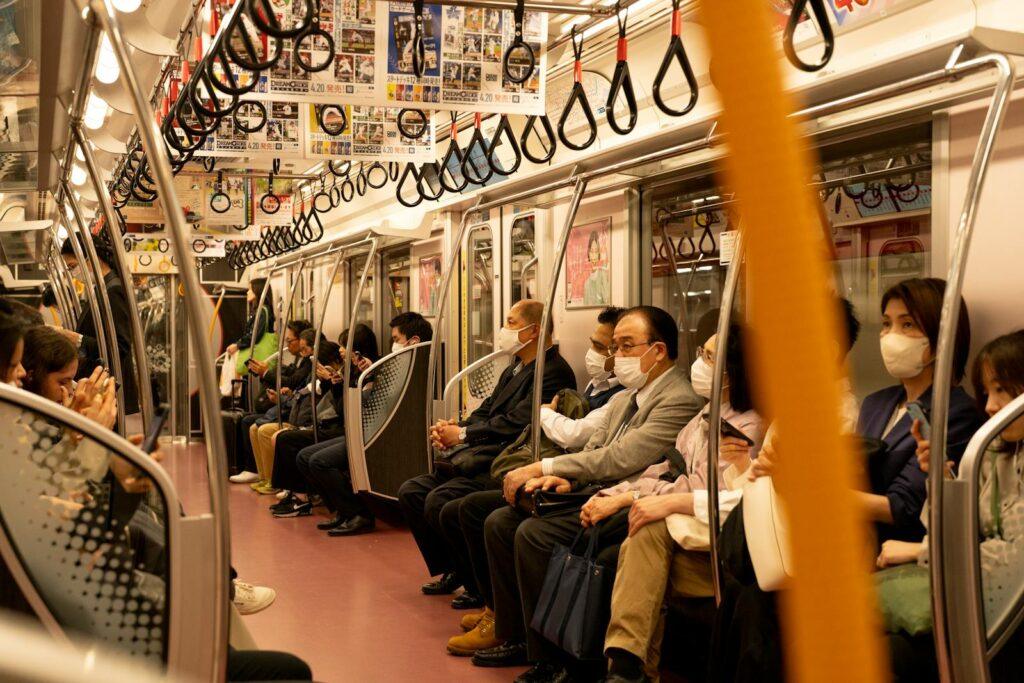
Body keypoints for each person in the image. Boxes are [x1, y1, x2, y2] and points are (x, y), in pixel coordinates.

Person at [473, 306, 703, 675]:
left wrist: (547, 466)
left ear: (658, 350)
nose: (617, 358)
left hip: (628, 495)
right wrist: (568, 479)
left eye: (627, 347)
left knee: (534, 534)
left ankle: (558, 659)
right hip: (595, 487)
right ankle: (517, 634)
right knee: (500, 519)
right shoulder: (629, 395)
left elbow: (622, 457)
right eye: (615, 348)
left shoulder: (678, 399)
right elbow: (595, 447)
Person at [599, 324, 762, 682]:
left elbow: (704, 488)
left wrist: (638, 497)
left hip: (720, 541)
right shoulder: (703, 416)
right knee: (636, 539)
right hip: (686, 526)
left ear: (734, 369)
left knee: (640, 537)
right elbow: (670, 469)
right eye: (701, 354)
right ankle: (630, 667)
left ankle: (629, 667)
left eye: (709, 357)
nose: (700, 365)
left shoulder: (749, 425)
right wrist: (617, 493)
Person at [398, 299, 575, 605]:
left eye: (510, 322)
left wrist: (464, 435)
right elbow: (489, 409)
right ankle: (454, 567)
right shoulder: (514, 368)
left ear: (533, 331)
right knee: (411, 491)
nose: (503, 330)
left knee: (442, 501)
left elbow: (519, 422)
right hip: (484, 451)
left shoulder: (552, 372)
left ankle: (478, 586)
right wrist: (457, 429)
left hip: (507, 458)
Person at [876, 330, 1024, 681]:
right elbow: (957, 529)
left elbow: (1016, 560)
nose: (989, 406)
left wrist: (918, 552)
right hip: (979, 604)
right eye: (987, 392)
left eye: (1002, 390)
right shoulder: (993, 452)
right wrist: (939, 478)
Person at [857, 278, 983, 545]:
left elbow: (905, 507)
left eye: (907, 324)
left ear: (942, 339)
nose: (891, 336)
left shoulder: (956, 412)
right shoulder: (874, 404)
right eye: (886, 324)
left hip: (903, 559)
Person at [286, 314, 432, 533]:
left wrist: (368, 376)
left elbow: (376, 404)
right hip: (368, 430)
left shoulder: (415, 370)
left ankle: (359, 514)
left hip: (383, 436)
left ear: (413, 341)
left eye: (396, 338)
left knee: (319, 461)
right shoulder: (392, 367)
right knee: (305, 456)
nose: (393, 344)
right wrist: (354, 379)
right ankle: (343, 510)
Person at [270, 323, 380, 518]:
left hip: (358, 432)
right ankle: (335, 508)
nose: (341, 350)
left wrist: (338, 382)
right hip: (346, 427)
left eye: (344, 345)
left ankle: (354, 512)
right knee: (298, 450)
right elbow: (342, 408)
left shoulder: (373, 371)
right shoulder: (352, 371)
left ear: (357, 349)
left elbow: (357, 410)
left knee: (313, 457)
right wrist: (334, 384)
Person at [59, 233, 138, 414]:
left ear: (89, 259)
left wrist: (76, 339)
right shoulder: (101, 289)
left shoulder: (114, 290)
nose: (73, 274)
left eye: (73, 267)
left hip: (108, 389)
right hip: (100, 388)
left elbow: (120, 346)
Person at [230, 319, 314, 484]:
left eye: (290, 341)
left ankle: (266, 476)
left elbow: (293, 381)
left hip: (297, 412)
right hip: (292, 403)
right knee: (249, 421)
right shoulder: (301, 359)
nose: (287, 345)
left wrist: (267, 373)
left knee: (253, 424)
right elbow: (294, 379)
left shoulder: (309, 360)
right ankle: (261, 474)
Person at [226, 277, 275, 358]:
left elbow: (255, 335)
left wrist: (237, 345)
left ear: (257, 291)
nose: (247, 292)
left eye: (250, 289)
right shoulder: (261, 310)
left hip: (259, 356)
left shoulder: (262, 311)